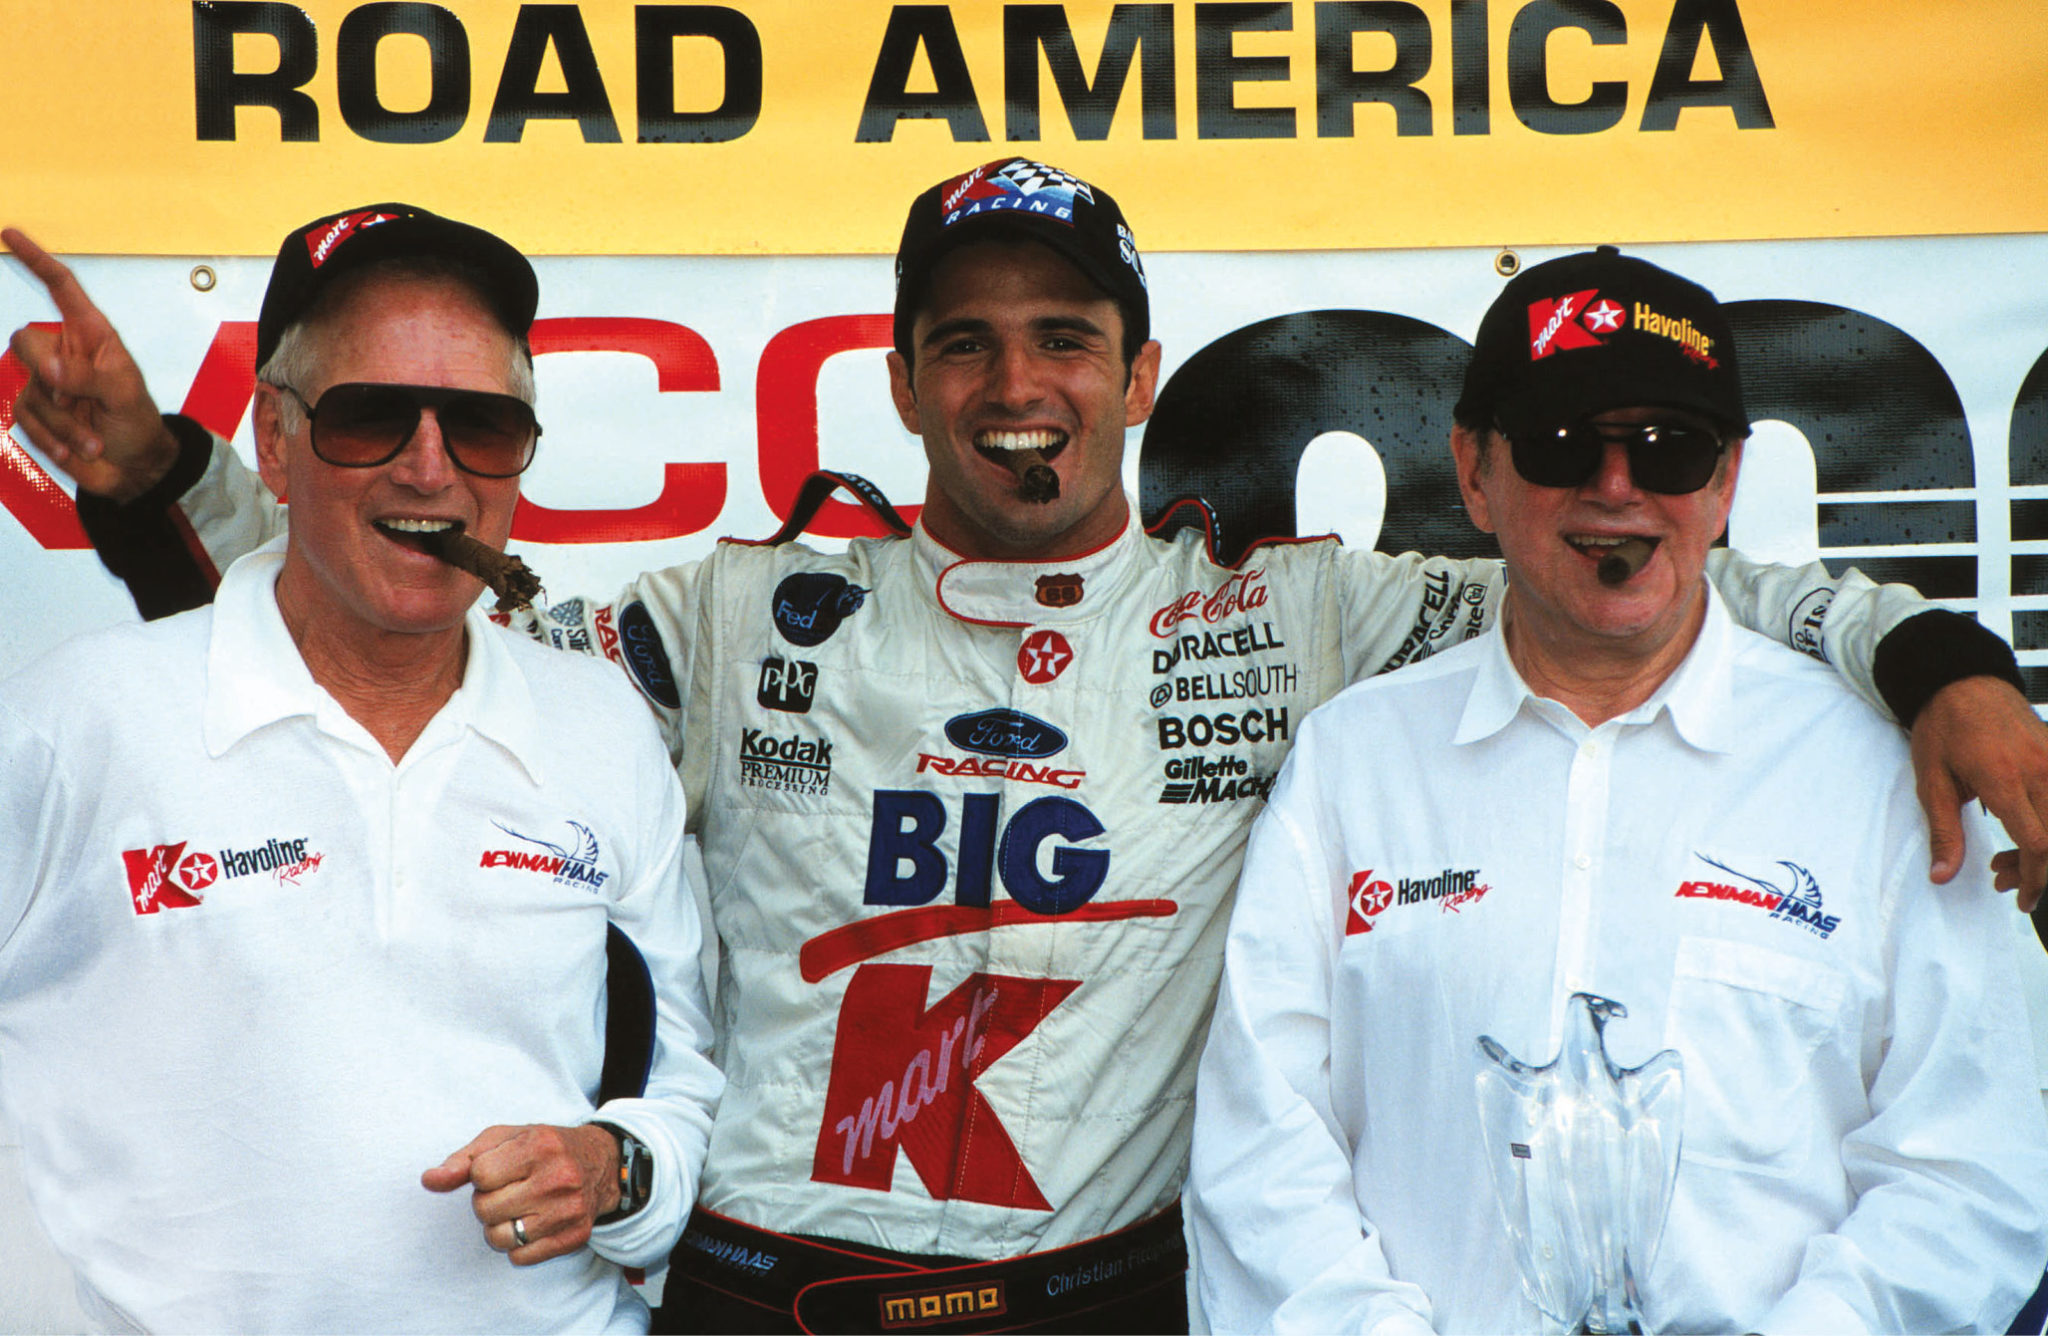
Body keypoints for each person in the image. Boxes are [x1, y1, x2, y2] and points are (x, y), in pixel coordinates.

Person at [9, 163, 2048, 1334]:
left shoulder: (1296, 608)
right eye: (966, 340)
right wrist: (161, 480)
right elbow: (425, 590)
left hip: (1106, 1304)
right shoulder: (737, 612)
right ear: (894, 375)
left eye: (1063, 335)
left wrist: (1945, 657)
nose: (1016, 382)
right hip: (765, 1294)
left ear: (1141, 372)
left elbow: (1653, 586)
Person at [1187, 247, 2048, 1333]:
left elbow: (1961, 1170)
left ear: (1725, 480)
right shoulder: (1350, 763)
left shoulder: (1876, 769)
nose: (1613, 487)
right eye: (1559, 442)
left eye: (1667, 448)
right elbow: (1259, 1149)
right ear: (1471, 471)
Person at [0, 204, 724, 1331]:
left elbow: (686, 1084)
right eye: (372, 417)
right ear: (276, 442)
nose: (430, 468)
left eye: (483, 426)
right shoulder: (73, 720)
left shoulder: (599, 728)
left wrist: (614, 1170)